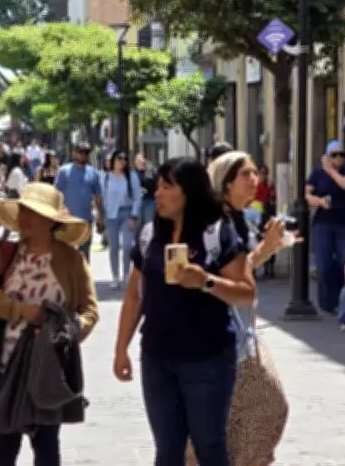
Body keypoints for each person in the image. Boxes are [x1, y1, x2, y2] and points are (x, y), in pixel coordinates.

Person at [113, 157, 255, 466]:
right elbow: (134, 298)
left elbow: (246, 292)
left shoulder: (218, 233)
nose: (158, 194)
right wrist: (120, 349)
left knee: (210, 447)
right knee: (167, 451)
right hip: (157, 358)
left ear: (189, 191)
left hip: (208, 360)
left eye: (167, 186)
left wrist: (205, 281)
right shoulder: (150, 235)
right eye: (158, 186)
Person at [0, 183, 100, 466]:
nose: (25, 218)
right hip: (3, 363)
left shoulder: (72, 260)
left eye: (33, 213)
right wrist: (20, 311)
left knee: (46, 443)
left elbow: (89, 311)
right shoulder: (6, 254)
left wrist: (61, 332)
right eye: (23, 211)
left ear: (50, 221)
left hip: (48, 366)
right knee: (4, 440)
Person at [208, 151, 294, 272]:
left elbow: (247, 264)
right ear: (227, 183)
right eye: (245, 173)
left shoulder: (237, 214)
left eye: (255, 172)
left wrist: (272, 244)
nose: (254, 178)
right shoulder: (216, 221)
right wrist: (267, 246)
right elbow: (233, 272)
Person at [305, 140, 345, 314]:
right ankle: (327, 303)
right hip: (323, 223)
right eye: (335, 154)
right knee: (324, 264)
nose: (339, 158)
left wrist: (330, 170)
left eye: (342, 154)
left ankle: (343, 301)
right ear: (327, 156)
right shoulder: (317, 174)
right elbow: (307, 195)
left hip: (343, 223)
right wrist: (319, 201)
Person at [54, 141, 104, 260]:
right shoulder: (63, 171)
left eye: (86, 152)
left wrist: (100, 217)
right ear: (74, 153)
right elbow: (56, 194)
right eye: (80, 152)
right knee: (65, 252)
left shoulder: (93, 173)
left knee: (84, 254)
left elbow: (98, 197)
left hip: (85, 220)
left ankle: (83, 277)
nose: (83, 155)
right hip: (66, 220)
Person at [103, 150, 142, 289]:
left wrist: (134, 216)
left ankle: (126, 274)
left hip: (127, 212)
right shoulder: (106, 178)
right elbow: (102, 197)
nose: (122, 162)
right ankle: (115, 276)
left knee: (127, 245)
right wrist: (102, 216)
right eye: (119, 159)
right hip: (111, 215)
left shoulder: (131, 176)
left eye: (124, 159)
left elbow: (138, 197)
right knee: (113, 247)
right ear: (113, 161)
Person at [134, 153, 157, 228]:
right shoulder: (132, 174)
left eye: (142, 158)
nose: (141, 160)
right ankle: (137, 240)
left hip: (150, 201)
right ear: (136, 161)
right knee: (137, 226)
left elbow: (155, 185)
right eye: (139, 159)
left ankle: (148, 239)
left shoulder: (151, 172)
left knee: (149, 224)